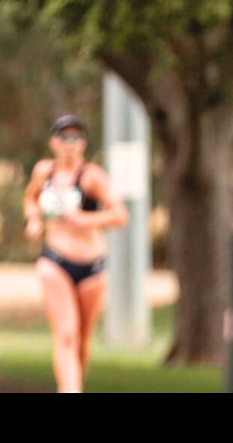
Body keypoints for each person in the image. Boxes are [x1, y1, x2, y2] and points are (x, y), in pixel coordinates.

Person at [22, 115, 129, 393]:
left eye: (76, 137)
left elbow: (120, 215)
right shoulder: (43, 171)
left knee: (81, 341)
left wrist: (87, 220)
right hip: (55, 260)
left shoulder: (92, 176)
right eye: (64, 136)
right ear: (53, 142)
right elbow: (30, 199)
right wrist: (33, 220)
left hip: (91, 266)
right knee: (66, 334)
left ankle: (74, 384)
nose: (70, 143)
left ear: (83, 143)